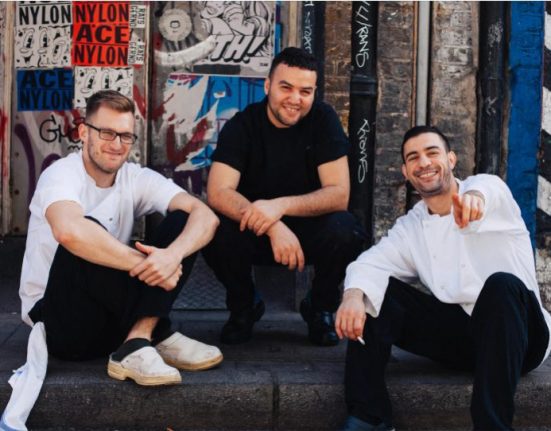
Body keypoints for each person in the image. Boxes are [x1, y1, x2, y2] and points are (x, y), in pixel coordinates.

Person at [336, 125, 551, 431]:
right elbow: (371, 263)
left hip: (521, 338)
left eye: (432, 152)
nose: (424, 162)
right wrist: (353, 296)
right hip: (465, 339)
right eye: (413, 157)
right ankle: (369, 416)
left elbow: (486, 191)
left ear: (451, 159)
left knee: (502, 285)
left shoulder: (488, 190)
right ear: (406, 172)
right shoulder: (412, 227)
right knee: (375, 289)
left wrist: (474, 200)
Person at [20, 90, 223, 386]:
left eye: (125, 136)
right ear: (84, 133)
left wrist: (172, 256)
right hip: (59, 323)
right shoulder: (60, 174)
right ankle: (158, 334)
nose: (117, 144)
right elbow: (68, 231)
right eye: (107, 133)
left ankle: (140, 338)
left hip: (111, 318)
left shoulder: (134, 177)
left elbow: (206, 217)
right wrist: (150, 264)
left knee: (183, 221)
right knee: (85, 234)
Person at [204, 47, 365, 346]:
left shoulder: (323, 120)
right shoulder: (243, 124)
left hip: (308, 232)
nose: (295, 99)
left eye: (305, 91)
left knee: (347, 230)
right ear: (268, 86)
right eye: (286, 87)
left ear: (314, 92)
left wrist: (279, 207)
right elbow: (218, 191)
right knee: (212, 228)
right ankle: (244, 306)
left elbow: (339, 194)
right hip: (254, 229)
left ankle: (319, 307)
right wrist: (273, 225)